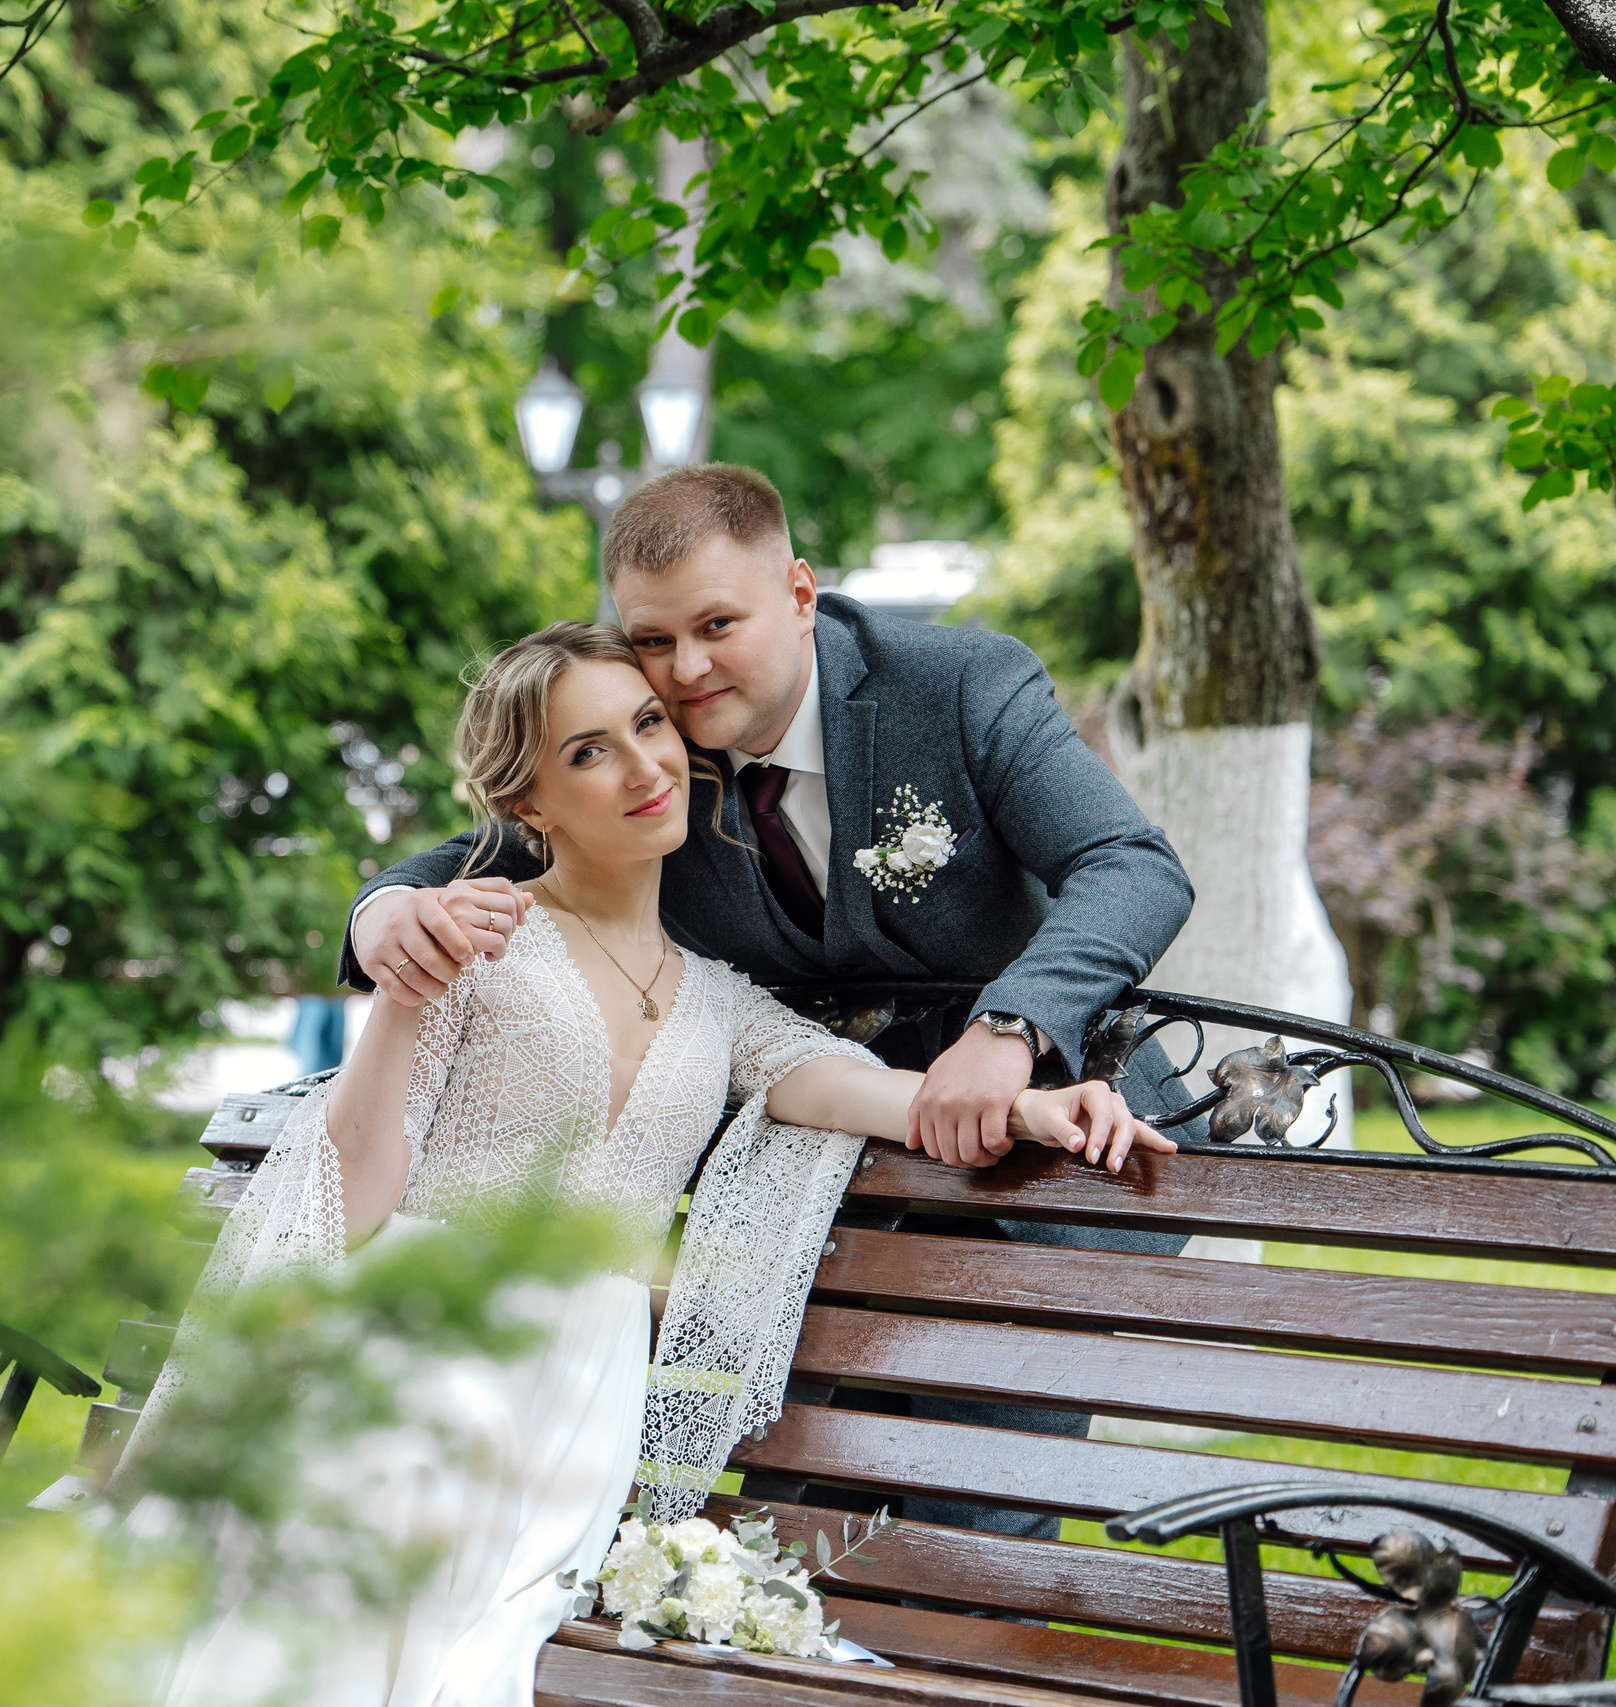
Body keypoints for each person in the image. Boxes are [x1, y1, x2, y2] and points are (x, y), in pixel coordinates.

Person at [130, 624, 1171, 1707]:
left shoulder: (717, 998)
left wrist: (1036, 1102)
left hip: (578, 1390)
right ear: (526, 803)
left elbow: (866, 1089)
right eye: (587, 752)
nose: (643, 767)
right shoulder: (477, 945)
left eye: (647, 727)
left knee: (486, 1643)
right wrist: (401, 993)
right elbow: (354, 1201)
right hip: (424, 1349)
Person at [342, 465, 1199, 1539]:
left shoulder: (960, 683)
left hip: (1030, 1156)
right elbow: (468, 849)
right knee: (795, 1483)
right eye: (654, 639)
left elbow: (1131, 864)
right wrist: (379, 918)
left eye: (717, 624)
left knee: (970, 1479)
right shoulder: (652, 757)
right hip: (823, 1159)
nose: (687, 670)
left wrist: (1009, 1029)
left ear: (799, 593)